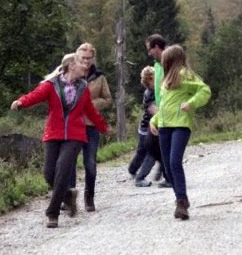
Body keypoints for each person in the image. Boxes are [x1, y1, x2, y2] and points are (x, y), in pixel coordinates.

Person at [10, 53, 109, 228]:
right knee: (49, 174)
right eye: (81, 63)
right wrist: (21, 102)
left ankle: (52, 214)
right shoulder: (52, 85)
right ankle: (68, 197)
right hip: (53, 134)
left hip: (74, 136)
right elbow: (35, 95)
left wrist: (103, 127)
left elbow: (91, 111)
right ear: (71, 66)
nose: (85, 66)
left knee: (63, 169)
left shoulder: (83, 87)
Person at [149, 45, 211, 220]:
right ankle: (180, 198)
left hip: (181, 124)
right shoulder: (166, 80)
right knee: (167, 167)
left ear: (170, 60)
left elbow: (205, 90)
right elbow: (164, 105)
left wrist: (191, 103)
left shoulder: (185, 74)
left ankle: (181, 202)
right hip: (164, 125)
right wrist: (154, 120)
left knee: (175, 161)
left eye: (164, 60)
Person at [67, 43, 112, 212]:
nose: (86, 61)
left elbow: (108, 99)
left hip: (91, 126)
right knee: (69, 163)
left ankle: (89, 196)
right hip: (73, 126)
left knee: (90, 163)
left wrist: (90, 104)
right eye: (83, 58)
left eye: (89, 58)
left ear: (93, 58)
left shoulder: (99, 77)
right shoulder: (70, 75)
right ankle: (69, 197)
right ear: (76, 57)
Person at [128, 66, 168, 187]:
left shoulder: (156, 91)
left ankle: (162, 173)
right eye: (154, 78)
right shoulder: (149, 93)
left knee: (161, 150)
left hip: (155, 126)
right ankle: (135, 171)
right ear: (149, 80)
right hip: (147, 127)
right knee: (145, 152)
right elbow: (153, 109)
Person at [144, 34, 172, 188]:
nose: (149, 53)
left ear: (156, 47)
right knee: (152, 143)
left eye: (149, 49)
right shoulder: (157, 65)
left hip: (170, 109)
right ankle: (166, 171)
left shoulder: (169, 63)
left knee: (160, 143)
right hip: (160, 110)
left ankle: (169, 175)